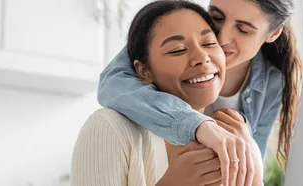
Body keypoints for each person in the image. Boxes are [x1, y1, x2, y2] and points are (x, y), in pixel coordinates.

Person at [98, 0, 303, 181]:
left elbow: (251, 173)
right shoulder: (178, 26)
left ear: (274, 32)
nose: (222, 38)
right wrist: (200, 126)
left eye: (243, 29)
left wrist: (247, 145)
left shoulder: (272, 84)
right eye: (216, 17)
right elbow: (112, 82)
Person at [71, 1, 262, 185]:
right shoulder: (109, 128)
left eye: (209, 43)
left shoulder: (239, 140)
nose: (202, 58)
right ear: (144, 71)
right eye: (177, 50)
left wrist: (251, 172)